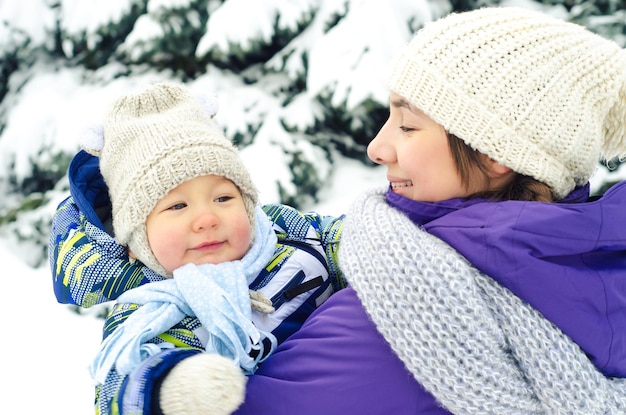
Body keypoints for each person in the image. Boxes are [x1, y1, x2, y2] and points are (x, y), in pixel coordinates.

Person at [51, 7, 626, 414]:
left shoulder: (409, 299)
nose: (377, 147)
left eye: (406, 123)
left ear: (497, 153)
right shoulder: (589, 264)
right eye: (173, 206)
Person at [49, 82, 345, 415]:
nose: (206, 218)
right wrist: (173, 388)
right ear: (136, 241)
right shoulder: (149, 313)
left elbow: (353, 239)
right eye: (177, 206)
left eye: (223, 198)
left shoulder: (289, 235)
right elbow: (120, 387)